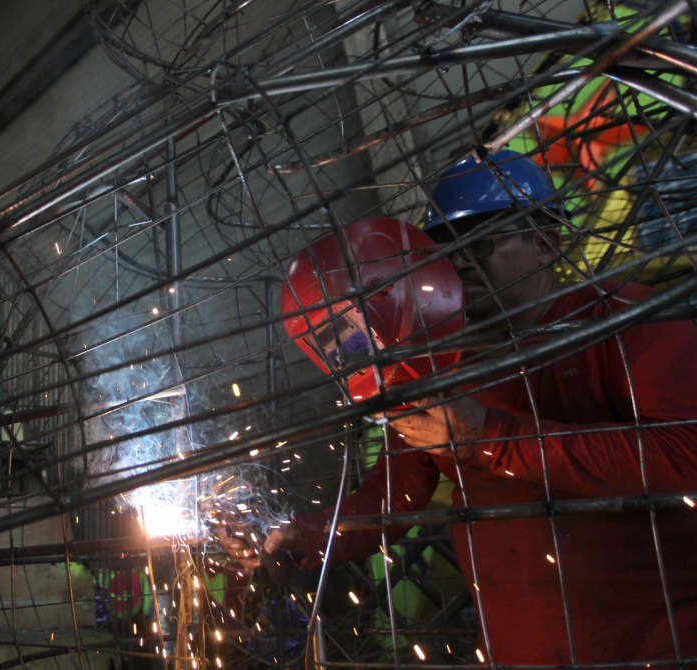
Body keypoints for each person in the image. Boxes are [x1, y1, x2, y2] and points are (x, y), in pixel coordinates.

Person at [225, 150, 697, 664]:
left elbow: (686, 455)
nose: (462, 261)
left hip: (661, 647)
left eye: (482, 241)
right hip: (518, 652)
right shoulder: (434, 362)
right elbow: (395, 496)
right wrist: (305, 537)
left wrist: (487, 436)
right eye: (447, 247)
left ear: (546, 241)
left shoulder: (629, 320)